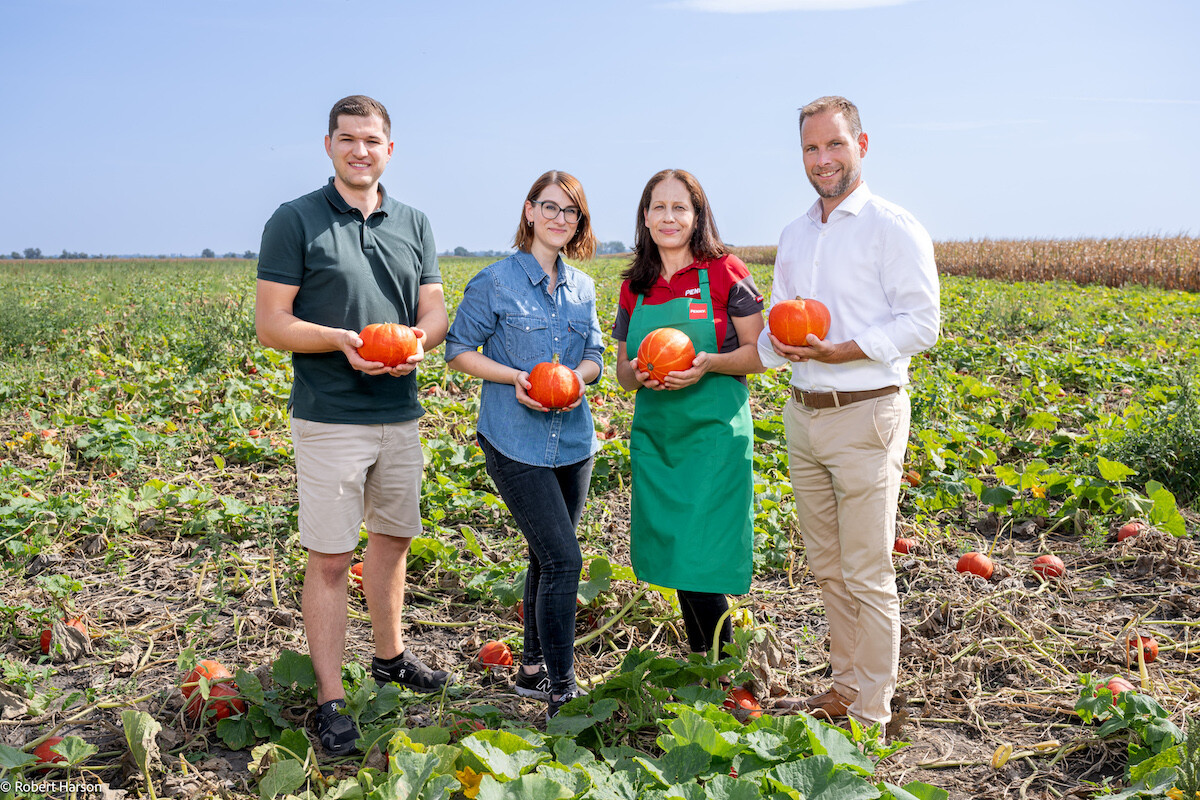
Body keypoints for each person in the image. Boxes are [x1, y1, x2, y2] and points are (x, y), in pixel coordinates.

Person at [254, 94, 451, 755]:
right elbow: (272, 323)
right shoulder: (295, 220)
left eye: (371, 140)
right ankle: (331, 699)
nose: (359, 150)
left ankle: (390, 658)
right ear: (329, 145)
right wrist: (340, 339)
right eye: (347, 139)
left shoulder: (415, 222)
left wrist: (417, 344)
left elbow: (433, 312)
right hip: (331, 416)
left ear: (389, 149)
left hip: (399, 412)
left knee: (393, 541)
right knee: (333, 557)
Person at [756, 96, 940, 730]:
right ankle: (843, 685)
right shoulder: (795, 233)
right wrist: (769, 349)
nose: (822, 159)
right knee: (827, 565)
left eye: (834, 145)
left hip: (866, 414)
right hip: (803, 413)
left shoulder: (893, 226)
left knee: (867, 569)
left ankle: (873, 711)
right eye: (811, 148)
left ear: (862, 146)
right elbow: (779, 326)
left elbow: (923, 322)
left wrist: (844, 351)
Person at [445, 171, 602, 720]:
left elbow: (597, 357)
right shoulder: (495, 281)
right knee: (564, 558)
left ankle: (532, 667)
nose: (561, 219)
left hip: (573, 442)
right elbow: (460, 350)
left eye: (572, 212)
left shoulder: (582, 287)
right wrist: (515, 377)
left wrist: (578, 377)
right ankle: (562, 686)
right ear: (530, 211)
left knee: (544, 552)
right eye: (551, 208)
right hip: (514, 442)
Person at [613, 169, 765, 660]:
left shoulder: (726, 272)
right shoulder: (634, 287)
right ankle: (704, 660)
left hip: (713, 437)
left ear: (697, 216)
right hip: (660, 440)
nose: (669, 217)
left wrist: (709, 365)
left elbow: (760, 354)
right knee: (679, 557)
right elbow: (622, 375)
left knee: (702, 559)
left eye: (680, 207)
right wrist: (641, 371)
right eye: (659, 207)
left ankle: (723, 666)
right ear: (645, 216)